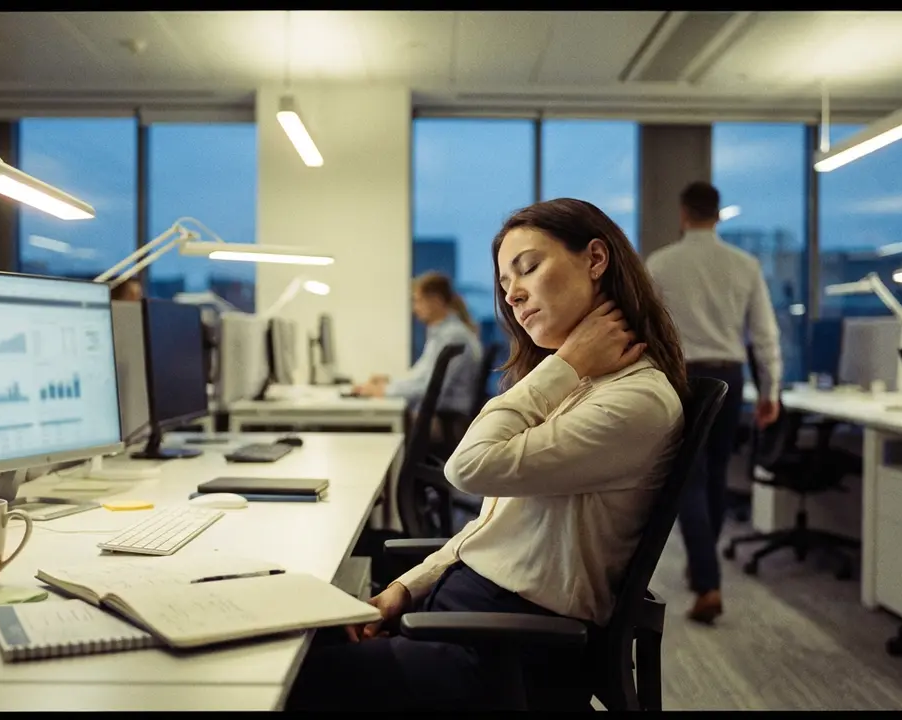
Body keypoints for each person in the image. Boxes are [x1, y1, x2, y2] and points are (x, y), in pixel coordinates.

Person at [286, 198, 689, 711]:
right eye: (504, 285)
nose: (514, 295)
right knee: (285, 639)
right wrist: (404, 590)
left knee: (285, 679)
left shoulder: (635, 400)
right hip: (467, 619)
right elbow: (491, 530)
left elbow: (467, 466)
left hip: (504, 652)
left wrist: (561, 364)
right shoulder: (582, 387)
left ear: (595, 259)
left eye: (528, 269)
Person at [644, 180, 783, 625]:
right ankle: (705, 569)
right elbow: (764, 334)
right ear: (718, 214)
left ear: (684, 213)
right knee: (718, 473)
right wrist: (771, 390)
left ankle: (707, 581)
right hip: (730, 374)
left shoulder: (660, 264)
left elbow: (646, 330)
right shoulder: (744, 264)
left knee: (690, 479)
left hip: (682, 377)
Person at [354, 272, 483, 417]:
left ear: (436, 301)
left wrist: (384, 390)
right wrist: (389, 382)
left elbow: (430, 388)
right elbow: (422, 377)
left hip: (446, 417)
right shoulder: (442, 333)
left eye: (418, 300)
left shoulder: (452, 336)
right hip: (440, 414)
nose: (415, 308)